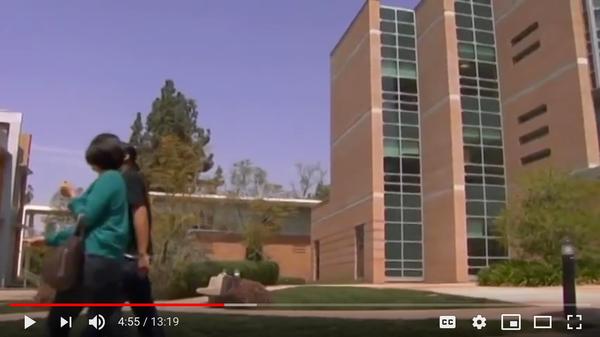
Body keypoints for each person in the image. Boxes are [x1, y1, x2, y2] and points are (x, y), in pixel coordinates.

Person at [26, 133, 131, 337]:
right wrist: (49, 239)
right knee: (97, 321)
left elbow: (85, 217)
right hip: (105, 259)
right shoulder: (111, 181)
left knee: (68, 317)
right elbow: (83, 227)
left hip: (98, 259)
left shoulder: (109, 179)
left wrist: (73, 195)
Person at [120, 143, 165, 337]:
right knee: (145, 314)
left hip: (126, 258)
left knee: (104, 317)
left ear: (126, 156)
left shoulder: (129, 177)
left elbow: (140, 211)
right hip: (129, 257)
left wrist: (142, 253)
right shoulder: (125, 179)